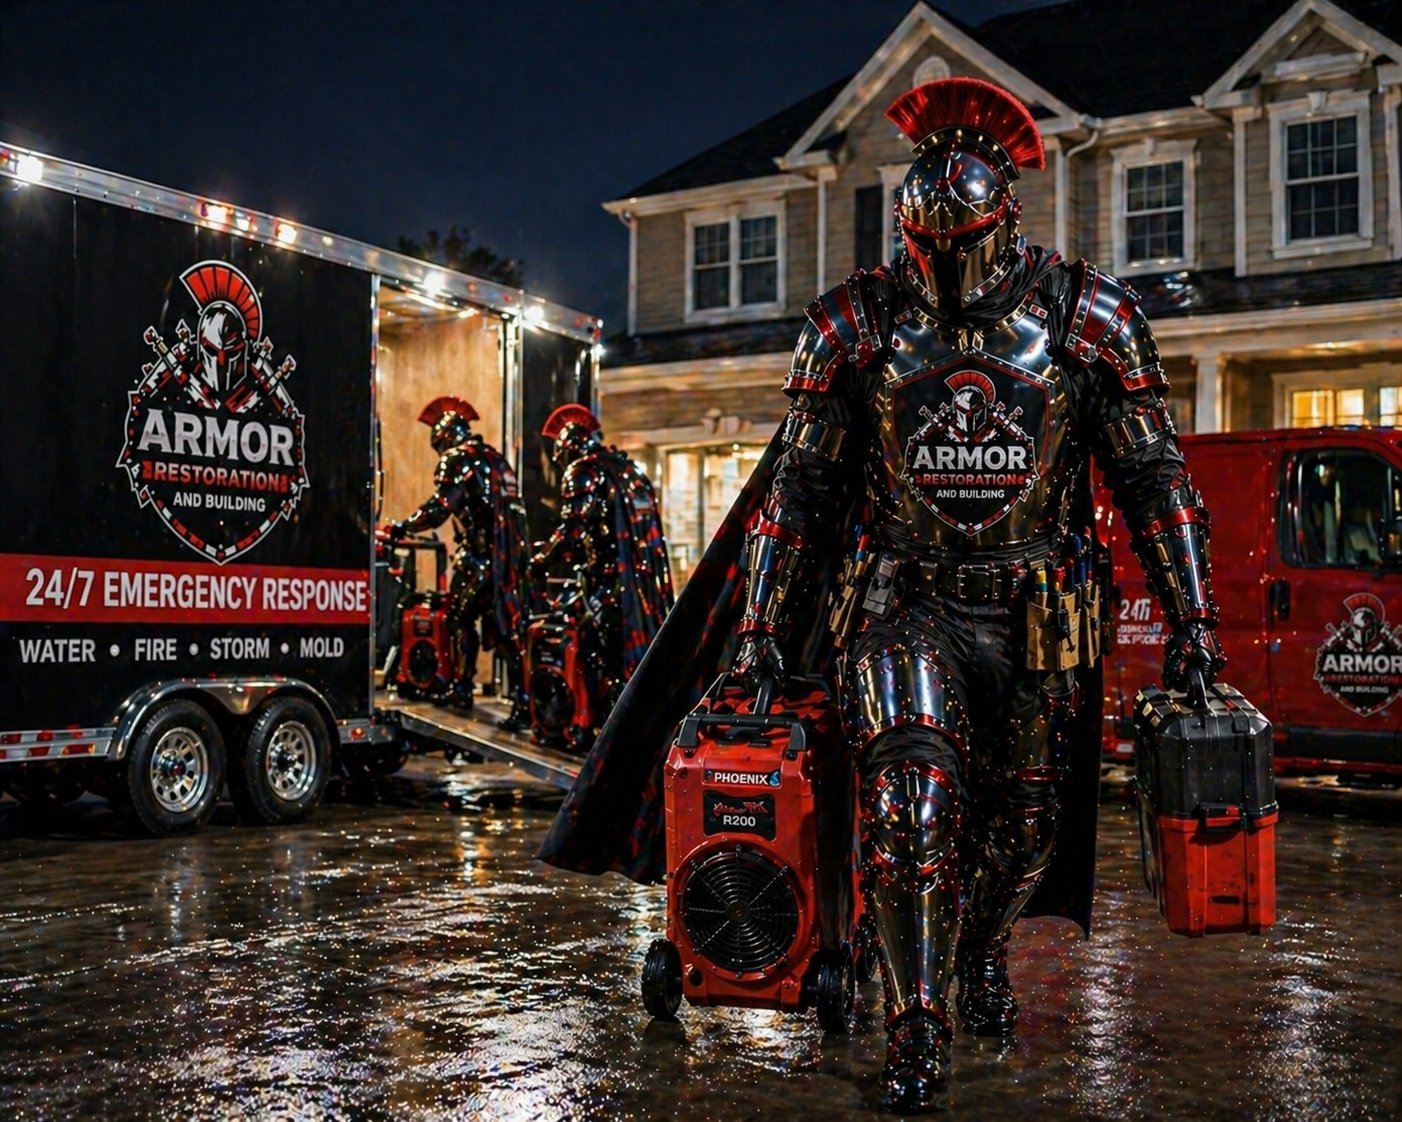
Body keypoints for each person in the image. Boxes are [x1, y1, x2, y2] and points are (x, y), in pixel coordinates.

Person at [540, 77, 1222, 1114]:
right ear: (904, 230)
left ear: (1004, 224)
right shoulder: (855, 324)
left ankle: (976, 948)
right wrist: (762, 627)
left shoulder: (1089, 316)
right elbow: (798, 492)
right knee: (911, 802)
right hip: (904, 603)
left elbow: (1153, 475)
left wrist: (1194, 621)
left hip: (1040, 610)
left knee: (1026, 824)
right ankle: (917, 1023)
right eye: (925, 243)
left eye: (966, 241)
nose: (945, 267)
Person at [385, 396, 533, 730]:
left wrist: (402, 527)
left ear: (446, 437)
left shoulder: (458, 459)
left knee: (459, 618)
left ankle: (463, 688)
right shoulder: (497, 460)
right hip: (507, 561)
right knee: (509, 632)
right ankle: (521, 703)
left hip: (481, 558)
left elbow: (440, 508)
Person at [529, 404, 674, 709]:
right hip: (644, 584)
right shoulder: (628, 469)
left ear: (568, 449)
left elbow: (573, 526)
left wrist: (541, 560)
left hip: (610, 582)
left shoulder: (584, 471)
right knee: (634, 659)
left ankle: (602, 728)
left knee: (599, 655)